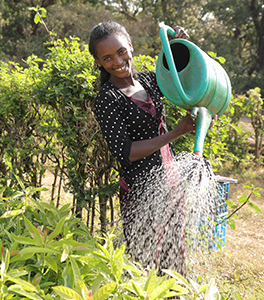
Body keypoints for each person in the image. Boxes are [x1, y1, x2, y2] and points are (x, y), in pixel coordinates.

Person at [89, 20, 197, 275]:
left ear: (131, 47)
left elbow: (182, 75)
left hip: (169, 182)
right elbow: (126, 152)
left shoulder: (148, 81)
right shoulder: (108, 99)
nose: (117, 61)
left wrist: (179, 45)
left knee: (173, 251)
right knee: (143, 260)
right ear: (98, 63)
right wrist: (176, 133)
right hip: (140, 191)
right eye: (107, 58)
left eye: (121, 51)